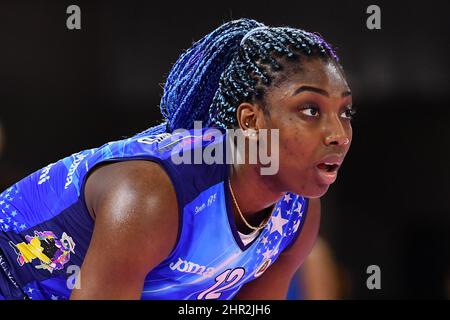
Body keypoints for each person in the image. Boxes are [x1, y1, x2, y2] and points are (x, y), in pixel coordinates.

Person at [0, 18, 355, 300]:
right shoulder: (153, 193)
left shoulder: (298, 213)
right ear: (251, 121)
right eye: (311, 110)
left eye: (345, 112)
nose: (338, 132)